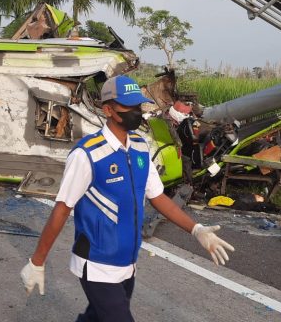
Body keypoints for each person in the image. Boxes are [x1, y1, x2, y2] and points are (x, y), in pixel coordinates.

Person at [20, 75, 234, 321]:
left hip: (126, 262)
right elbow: (62, 209)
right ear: (108, 109)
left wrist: (197, 230)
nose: (136, 112)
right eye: (128, 107)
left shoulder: (141, 148)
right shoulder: (88, 154)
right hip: (97, 263)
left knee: (97, 317)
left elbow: (158, 197)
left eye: (138, 106)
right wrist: (37, 262)